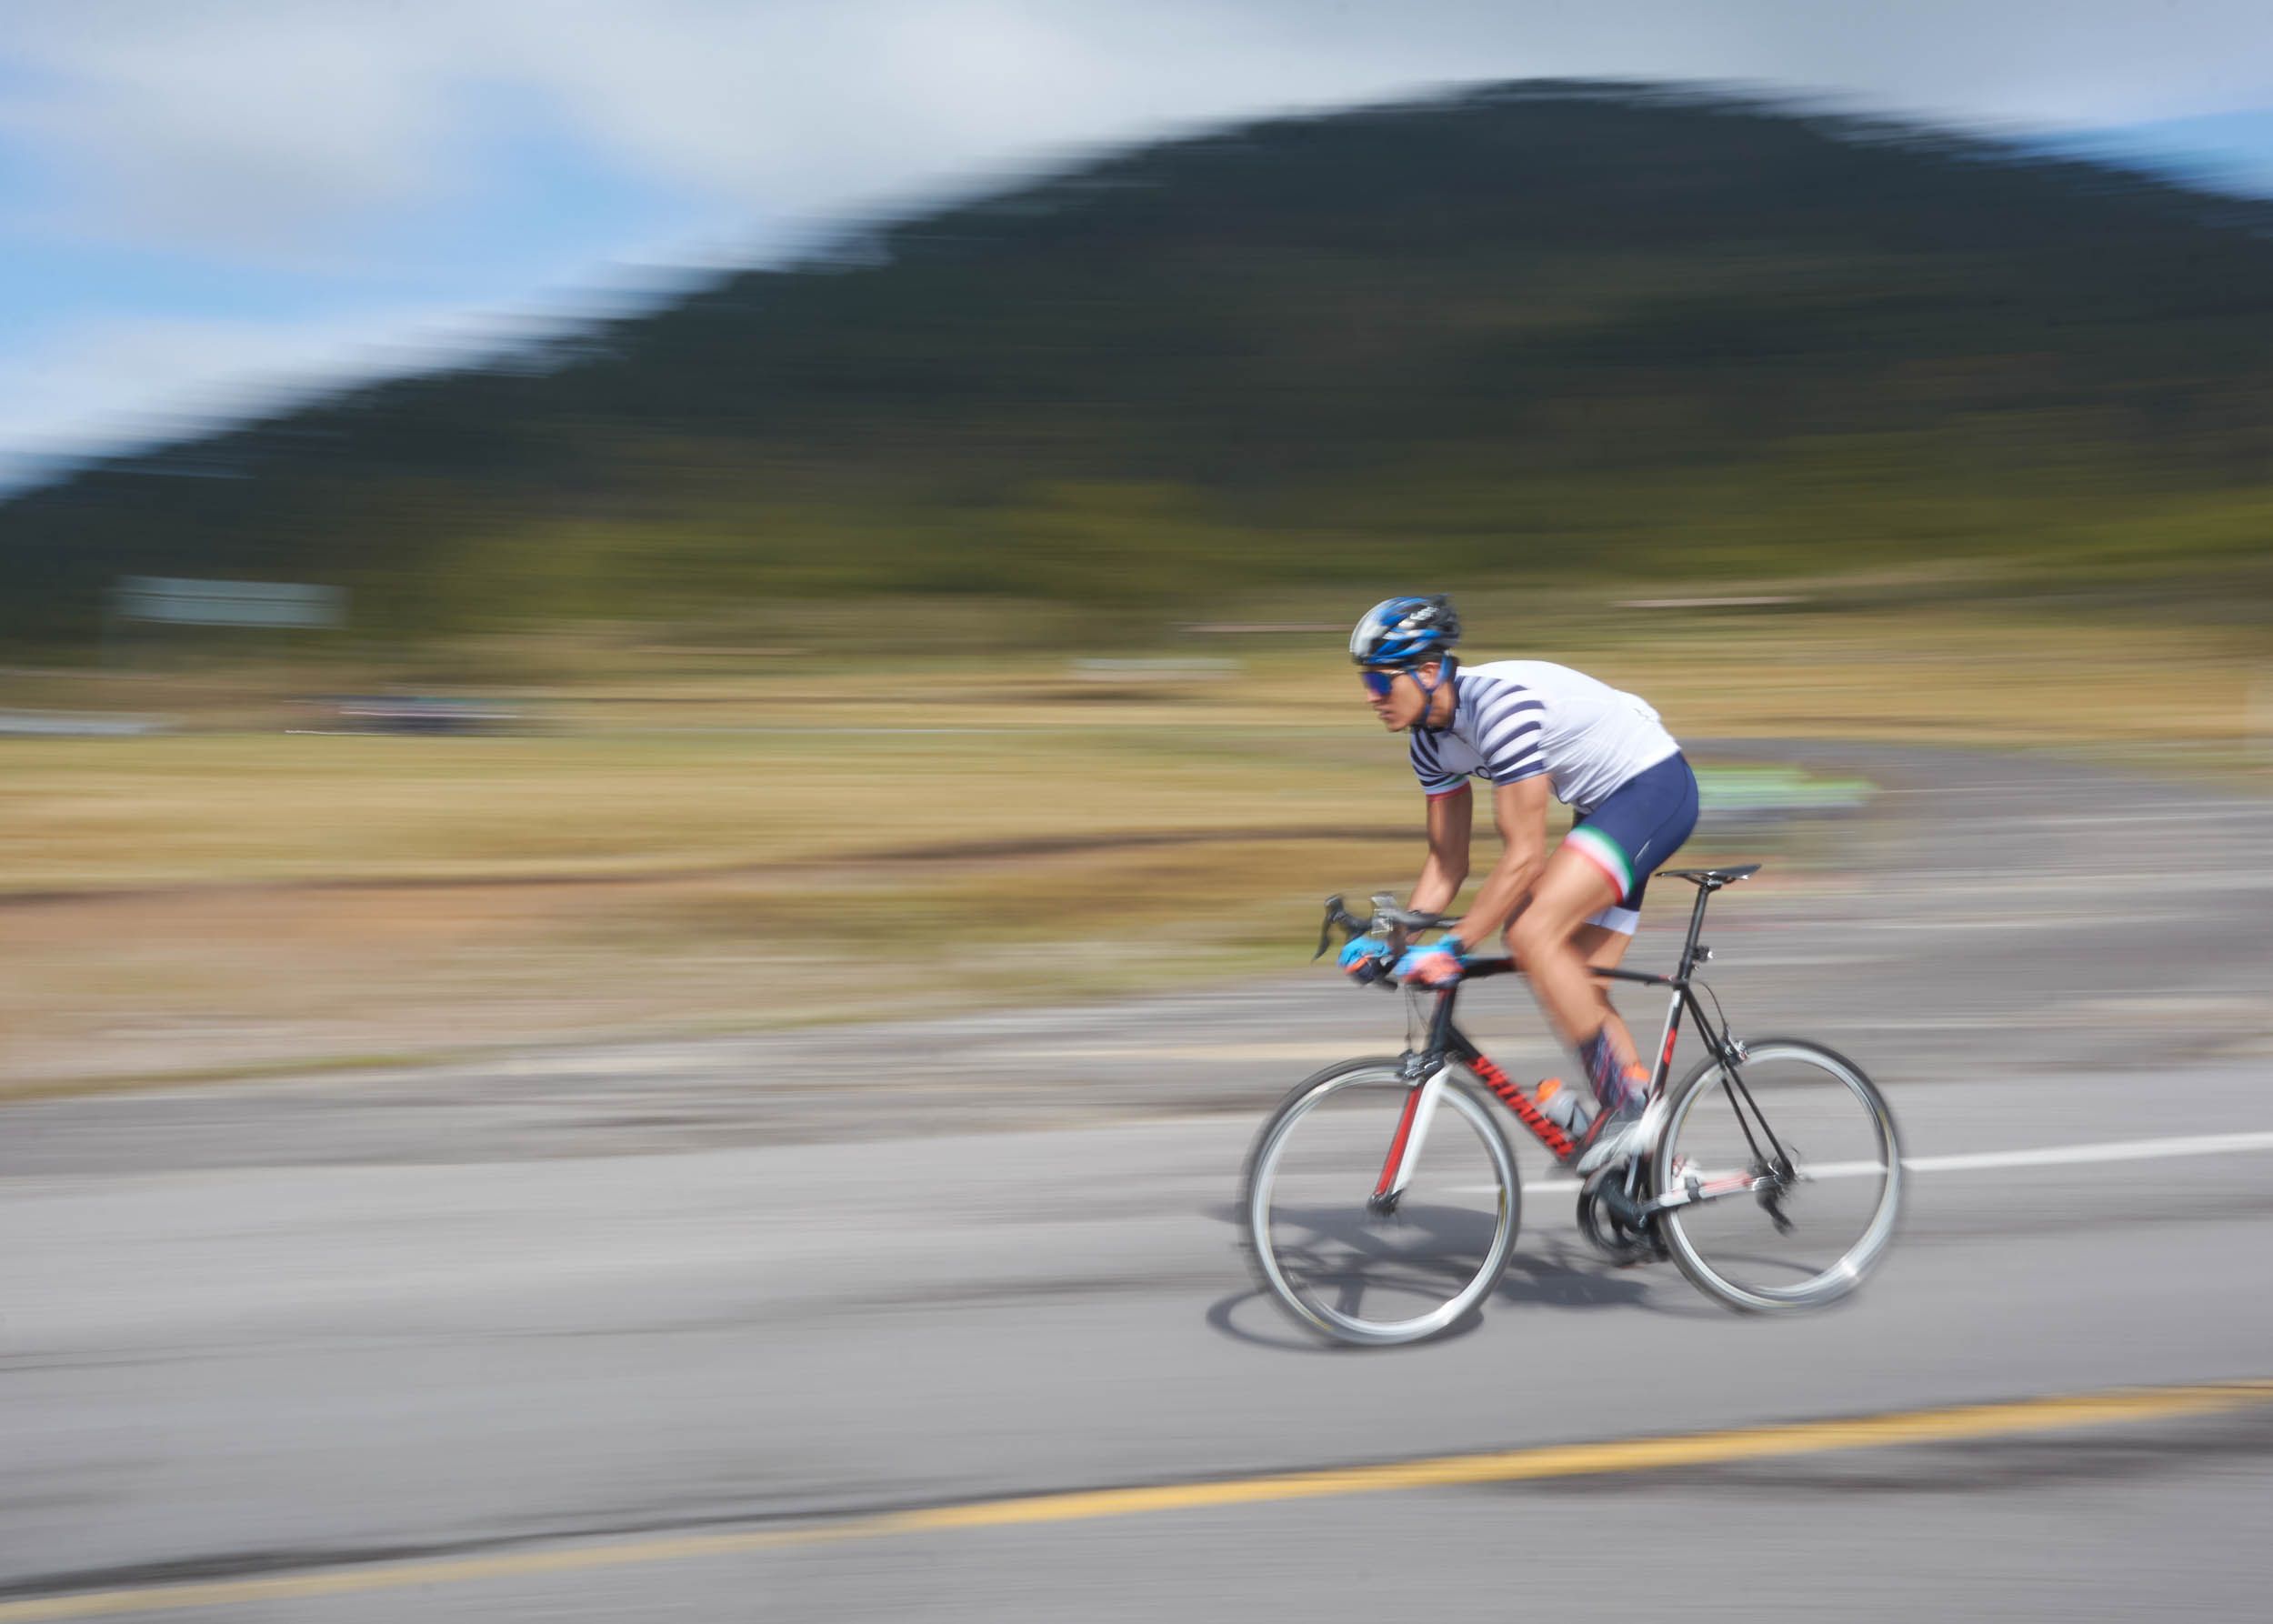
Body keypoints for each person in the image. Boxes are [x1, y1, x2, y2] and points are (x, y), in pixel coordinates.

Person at [1338, 594, 1699, 1172]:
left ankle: (1629, 1109)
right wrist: (1391, 941)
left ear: (1428, 671)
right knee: (1574, 976)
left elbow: (1526, 857)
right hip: (1602, 808)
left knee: (1530, 932)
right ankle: (1652, 1173)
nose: (1369, 697)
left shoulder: (1498, 709)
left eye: (1380, 682)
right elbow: (1446, 864)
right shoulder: (1429, 741)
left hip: (1652, 788)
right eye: (1366, 682)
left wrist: (1454, 946)